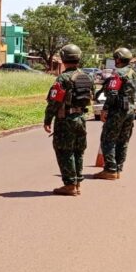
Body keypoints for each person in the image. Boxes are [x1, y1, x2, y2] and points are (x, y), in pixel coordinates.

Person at [43, 44, 94, 196]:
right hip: (81, 119)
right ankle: (77, 183)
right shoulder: (88, 77)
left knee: (64, 151)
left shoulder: (63, 78)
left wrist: (47, 120)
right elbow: (92, 96)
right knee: (78, 151)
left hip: (66, 120)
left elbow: (54, 101)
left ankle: (69, 185)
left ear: (64, 58)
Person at [95, 47, 136, 180]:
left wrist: (105, 109)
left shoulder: (118, 74)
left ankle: (110, 170)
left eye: (115, 58)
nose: (115, 60)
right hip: (130, 110)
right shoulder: (135, 73)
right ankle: (118, 168)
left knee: (107, 139)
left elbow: (113, 93)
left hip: (117, 110)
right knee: (123, 140)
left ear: (119, 59)